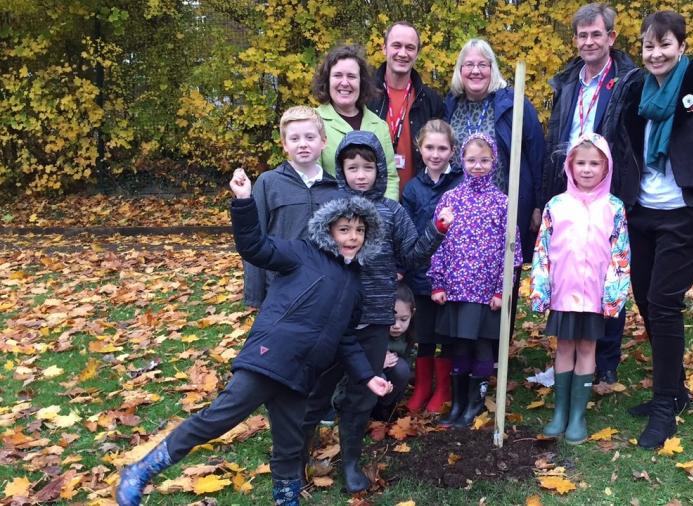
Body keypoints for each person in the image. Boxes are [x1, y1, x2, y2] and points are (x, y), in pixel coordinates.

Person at [115, 171, 392, 506]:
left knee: (291, 446)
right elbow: (254, 246)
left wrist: (367, 376)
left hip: (301, 375)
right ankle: (141, 470)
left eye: (360, 230)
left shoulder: (353, 283)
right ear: (329, 230)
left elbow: (345, 337)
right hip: (268, 358)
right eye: (344, 229)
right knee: (218, 418)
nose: (352, 237)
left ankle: (286, 500)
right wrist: (244, 203)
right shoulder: (301, 253)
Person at [600, 10, 693, 448]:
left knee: (664, 302)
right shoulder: (632, 88)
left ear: (681, 46)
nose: (655, 53)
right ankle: (677, 389)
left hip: (684, 211)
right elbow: (615, 141)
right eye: (648, 45)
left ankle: (665, 404)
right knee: (645, 297)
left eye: (664, 45)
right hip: (641, 209)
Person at [298, 130, 454, 493]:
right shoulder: (332, 209)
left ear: (379, 168)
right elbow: (313, 257)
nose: (360, 174)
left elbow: (412, 254)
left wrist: (436, 230)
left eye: (368, 167)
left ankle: (351, 460)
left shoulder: (392, 211)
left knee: (361, 393)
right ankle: (298, 454)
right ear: (341, 169)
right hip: (333, 319)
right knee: (317, 388)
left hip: (375, 316)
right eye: (352, 167)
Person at [537, 4, 635, 384]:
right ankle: (567, 349)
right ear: (575, 40)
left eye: (597, 34)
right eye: (582, 35)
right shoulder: (566, 83)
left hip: (608, 185)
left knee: (603, 268)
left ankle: (604, 360)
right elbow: (554, 138)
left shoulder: (628, 80)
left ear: (611, 37)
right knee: (569, 269)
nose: (589, 41)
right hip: (568, 183)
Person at [530, 133, 630, 444]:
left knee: (587, 348)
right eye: (581, 163)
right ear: (570, 166)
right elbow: (543, 250)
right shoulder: (556, 205)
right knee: (564, 347)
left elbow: (620, 254)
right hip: (563, 293)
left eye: (594, 164)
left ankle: (577, 416)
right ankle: (559, 411)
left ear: (605, 167)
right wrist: (541, 289)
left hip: (595, 297)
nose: (587, 170)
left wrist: (614, 296)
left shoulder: (614, 207)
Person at [429, 133, 522, 429]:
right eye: (471, 160)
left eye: (484, 160)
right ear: (462, 161)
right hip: (456, 288)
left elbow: (513, 251)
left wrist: (501, 290)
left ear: (494, 161)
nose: (477, 166)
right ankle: (457, 402)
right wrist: (438, 282)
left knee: (482, 345)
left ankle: (474, 402)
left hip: (485, 291)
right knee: (459, 345)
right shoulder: (451, 199)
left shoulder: (502, 203)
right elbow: (437, 242)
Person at [443, 38, 545, 262]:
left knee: (503, 276)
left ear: (492, 69)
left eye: (483, 64)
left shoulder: (513, 104)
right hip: (462, 216)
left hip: (504, 212)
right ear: (460, 70)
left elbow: (537, 155)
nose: (475, 71)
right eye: (469, 65)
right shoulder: (450, 105)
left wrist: (538, 204)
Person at [242, 106, 343, 308]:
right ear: (284, 144)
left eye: (310, 137)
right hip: (280, 289)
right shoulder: (268, 183)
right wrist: (255, 295)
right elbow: (255, 238)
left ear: (323, 141)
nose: (303, 144)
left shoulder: (336, 189)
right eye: (295, 139)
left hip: (323, 289)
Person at [401, 119, 463, 413]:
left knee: (447, 331)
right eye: (429, 147)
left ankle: (444, 388)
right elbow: (408, 232)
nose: (435, 154)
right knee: (425, 332)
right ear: (420, 148)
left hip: (453, 272)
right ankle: (423, 386)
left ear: (452, 151)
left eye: (442, 148)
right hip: (422, 270)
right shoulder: (413, 188)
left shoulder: (461, 183)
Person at [313, 44, 400, 200]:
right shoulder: (313, 122)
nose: (345, 83)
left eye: (351, 76)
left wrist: (383, 215)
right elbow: (312, 180)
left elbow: (391, 178)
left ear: (362, 82)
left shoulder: (379, 126)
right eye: (338, 75)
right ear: (327, 80)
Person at [368, 21, 445, 196]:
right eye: (396, 45)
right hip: (374, 200)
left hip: (418, 202)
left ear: (417, 54)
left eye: (410, 47)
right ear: (384, 49)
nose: (403, 53)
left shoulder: (430, 100)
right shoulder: (365, 95)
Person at [372, 283, 416, 421]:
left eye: (403, 319)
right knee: (380, 378)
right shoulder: (371, 331)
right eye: (392, 317)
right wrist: (377, 361)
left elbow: (406, 369)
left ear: (412, 313)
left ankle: (385, 407)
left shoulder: (409, 336)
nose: (397, 326)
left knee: (402, 369)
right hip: (369, 375)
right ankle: (364, 411)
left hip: (391, 380)